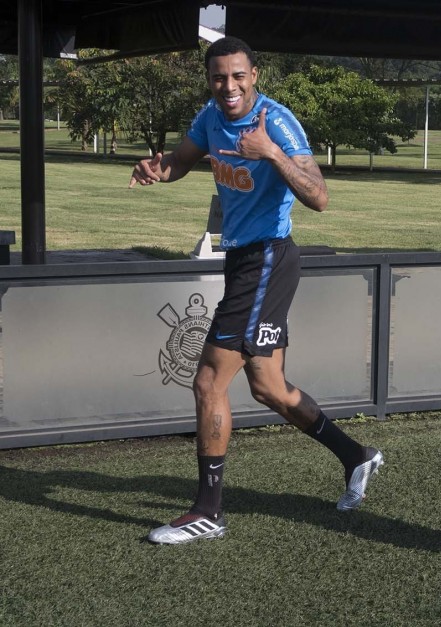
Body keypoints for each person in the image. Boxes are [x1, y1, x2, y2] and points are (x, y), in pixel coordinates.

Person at [130, 36, 383, 544]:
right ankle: (357, 455)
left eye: (238, 76)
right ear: (210, 79)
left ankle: (209, 511)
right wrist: (161, 169)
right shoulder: (209, 117)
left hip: (268, 256)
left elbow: (320, 197)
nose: (229, 86)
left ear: (255, 75)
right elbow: (182, 159)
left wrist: (269, 152)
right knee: (268, 387)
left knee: (208, 382)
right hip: (244, 258)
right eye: (219, 77)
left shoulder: (278, 122)